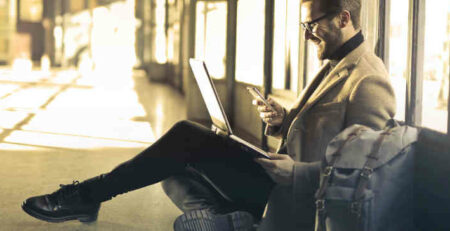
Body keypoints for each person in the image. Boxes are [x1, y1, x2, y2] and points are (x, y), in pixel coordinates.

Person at [22, 0, 395, 230]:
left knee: (186, 137)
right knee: (171, 170)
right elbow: (323, 132)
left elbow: (365, 175)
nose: (306, 35)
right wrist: (284, 120)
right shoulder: (335, 61)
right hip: (280, 180)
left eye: (312, 25)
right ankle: (229, 220)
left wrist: (297, 173)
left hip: (296, 195)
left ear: (344, 18)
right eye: (303, 26)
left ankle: (88, 194)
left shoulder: (369, 80)